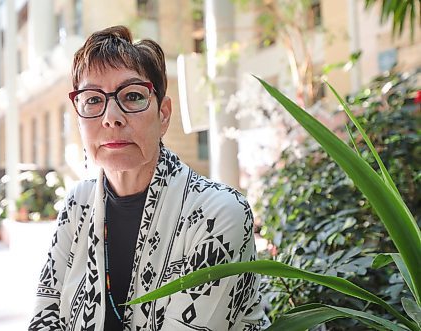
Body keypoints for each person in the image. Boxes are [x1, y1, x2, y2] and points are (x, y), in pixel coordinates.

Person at [29, 25, 269, 331]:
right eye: (92, 100)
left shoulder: (219, 214)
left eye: (131, 96)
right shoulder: (78, 204)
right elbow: (43, 317)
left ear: (164, 114)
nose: (111, 117)